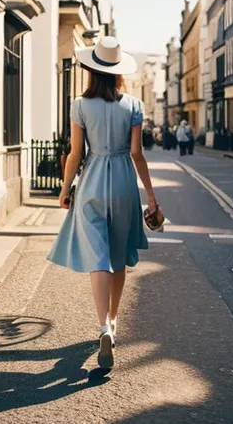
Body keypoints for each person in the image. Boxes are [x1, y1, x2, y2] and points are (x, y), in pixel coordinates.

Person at [47, 37, 157, 369]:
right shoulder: (134, 105)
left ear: (92, 70)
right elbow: (138, 154)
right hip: (124, 184)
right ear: (119, 73)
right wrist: (151, 197)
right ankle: (114, 317)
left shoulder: (80, 105)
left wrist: (66, 189)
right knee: (119, 256)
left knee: (98, 256)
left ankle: (103, 327)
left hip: (92, 182)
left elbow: (76, 154)